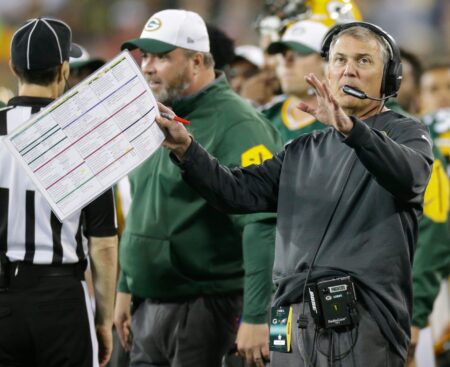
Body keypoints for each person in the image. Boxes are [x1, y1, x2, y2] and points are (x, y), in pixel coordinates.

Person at [156, 21, 433, 367]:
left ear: (389, 77)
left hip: (362, 319)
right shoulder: (302, 148)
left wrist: (352, 130)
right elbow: (235, 192)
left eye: (363, 61)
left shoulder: (407, 132)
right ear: (327, 71)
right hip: (287, 316)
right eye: (340, 60)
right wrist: (187, 150)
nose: (349, 69)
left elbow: (409, 178)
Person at [114, 9, 283, 367]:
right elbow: (143, 209)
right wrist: (126, 285)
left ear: (196, 61)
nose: (147, 67)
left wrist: (257, 315)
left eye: (162, 57)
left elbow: (261, 226)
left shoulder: (240, 124)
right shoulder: (152, 116)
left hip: (207, 305)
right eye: (145, 56)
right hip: (150, 302)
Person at [0, 17, 118, 367]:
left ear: (13, 66)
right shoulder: (85, 136)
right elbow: (105, 245)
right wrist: (103, 319)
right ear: (64, 69)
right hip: (61, 299)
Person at [262, 20, 329, 143]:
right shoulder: (264, 119)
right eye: (283, 53)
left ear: (327, 62)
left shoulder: (345, 123)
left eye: (299, 53)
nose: (286, 62)